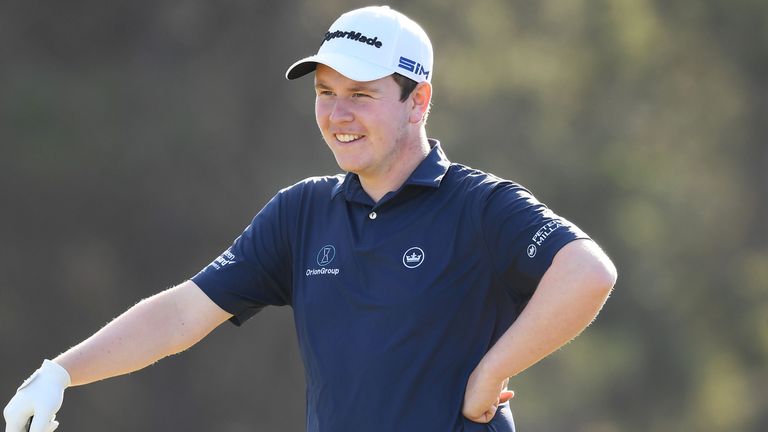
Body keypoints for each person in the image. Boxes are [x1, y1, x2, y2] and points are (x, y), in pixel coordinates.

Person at [3, 6, 616, 432]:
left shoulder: (478, 205)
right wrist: (63, 370)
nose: (337, 114)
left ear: (418, 101)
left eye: (361, 94)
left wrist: (490, 374)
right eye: (325, 92)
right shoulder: (302, 212)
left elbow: (588, 272)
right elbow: (185, 312)